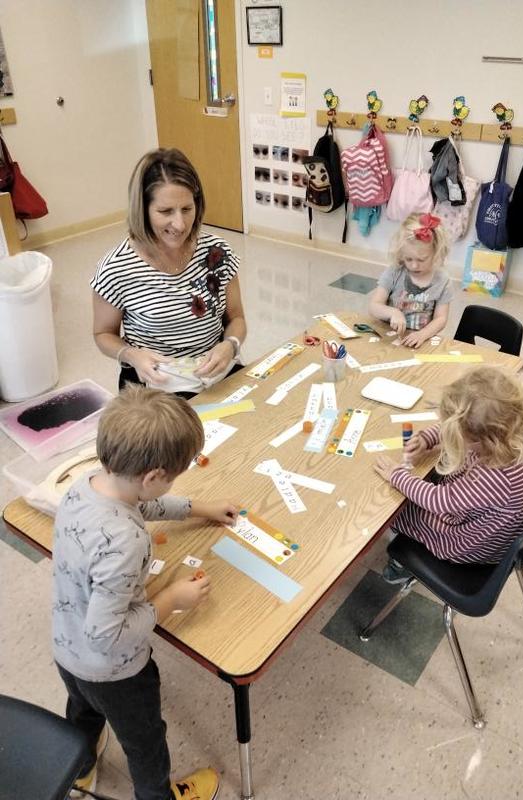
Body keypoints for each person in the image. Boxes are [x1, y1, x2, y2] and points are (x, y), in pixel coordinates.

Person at [52, 385, 239, 800]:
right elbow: (107, 635)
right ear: (154, 476)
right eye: (173, 476)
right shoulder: (124, 542)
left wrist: (198, 507)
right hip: (114, 671)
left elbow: (144, 504)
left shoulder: (89, 483)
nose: (171, 483)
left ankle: (76, 768)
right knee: (145, 742)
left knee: (81, 711)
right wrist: (171, 600)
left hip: (67, 648)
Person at [373, 367, 523, 578]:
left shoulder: (495, 476)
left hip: (470, 546)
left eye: (458, 435)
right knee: (418, 487)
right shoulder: (514, 433)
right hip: (490, 523)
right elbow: (456, 426)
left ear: (481, 440)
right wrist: (427, 439)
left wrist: (397, 475)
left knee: (396, 511)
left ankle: (402, 564)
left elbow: (438, 501)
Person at [91, 148, 247, 390]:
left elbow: (236, 317)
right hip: (155, 382)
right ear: (142, 210)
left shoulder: (217, 253)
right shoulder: (116, 268)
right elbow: (103, 334)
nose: (180, 224)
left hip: (216, 372)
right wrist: (132, 355)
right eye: (165, 211)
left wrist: (231, 345)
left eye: (187, 209)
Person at [368, 212, 452, 348]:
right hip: (388, 339)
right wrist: (393, 312)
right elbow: (373, 306)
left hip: (420, 341)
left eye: (421, 259)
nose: (414, 265)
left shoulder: (443, 281)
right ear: (401, 254)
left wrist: (423, 334)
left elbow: (441, 319)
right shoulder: (394, 272)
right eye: (408, 259)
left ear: (436, 252)